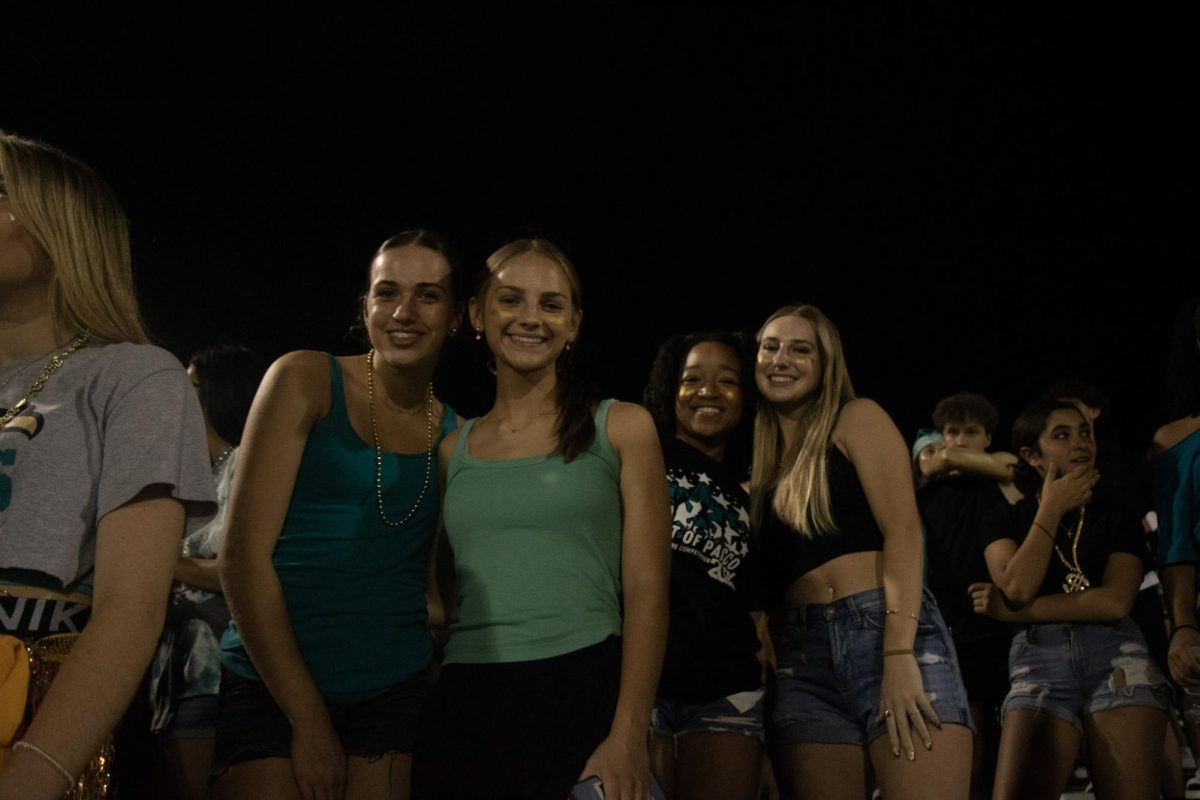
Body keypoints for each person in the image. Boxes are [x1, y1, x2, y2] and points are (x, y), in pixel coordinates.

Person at [413, 238, 670, 800]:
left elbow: (648, 590)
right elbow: (442, 594)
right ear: (478, 314)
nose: (531, 318)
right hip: (468, 702)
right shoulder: (452, 450)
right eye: (511, 300)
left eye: (551, 305)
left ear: (574, 324)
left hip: (585, 694)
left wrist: (628, 732)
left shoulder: (621, 427)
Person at [0, 130, 215, 799]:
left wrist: (30, 778)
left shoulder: (133, 377)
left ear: (61, 224)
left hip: (38, 715)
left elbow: (130, 609)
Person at [214, 231, 461, 800]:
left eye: (427, 295)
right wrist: (309, 721)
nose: (403, 311)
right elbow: (240, 557)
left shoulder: (456, 435)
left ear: (454, 317)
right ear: (365, 307)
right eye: (386, 292)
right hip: (271, 682)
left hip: (393, 689)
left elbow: (436, 587)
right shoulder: (304, 378)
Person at [751, 304, 972, 800]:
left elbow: (905, 532)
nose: (780, 359)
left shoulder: (856, 418)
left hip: (885, 631)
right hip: (802, 662)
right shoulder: (765, 469)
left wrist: (897, 652)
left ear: (827, 363)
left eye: (799, 349)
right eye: (770, 347)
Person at [970, 399, 1170, 800]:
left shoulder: (1117, 515)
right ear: (1032, 455)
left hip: (1117, 656)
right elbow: (1018, 585)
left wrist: (1014, 615)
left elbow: (1114, 603)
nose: (1080, 443)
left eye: (1084, 433)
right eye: (1061, 435)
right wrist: (1052, 506)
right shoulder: (1004, 517)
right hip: (1039, 661)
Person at [641, 331, 763, 800]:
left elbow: (756, 608)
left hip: (727, 690)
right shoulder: (644, 455)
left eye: (727, 381)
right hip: (644, 685)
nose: (708, 391)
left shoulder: (753, 495)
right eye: (692, 379)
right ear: (669, 393)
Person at [149, 343, 264, 800]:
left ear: (222, 394)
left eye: (190, 387)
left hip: (214, 672)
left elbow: (240, 573)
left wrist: (162, 563)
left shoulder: (245, 465)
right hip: (170, 672)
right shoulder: (188, 477)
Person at [915, 393, 1019, 800]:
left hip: (988, 619)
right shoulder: (925, 493)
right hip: (937, 620)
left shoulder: (999, 483)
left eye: (970, 432)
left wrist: (938, 456)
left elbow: (1012, 468)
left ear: (988, 437)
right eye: (951, 432)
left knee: (985, 726)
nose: (958, 440)